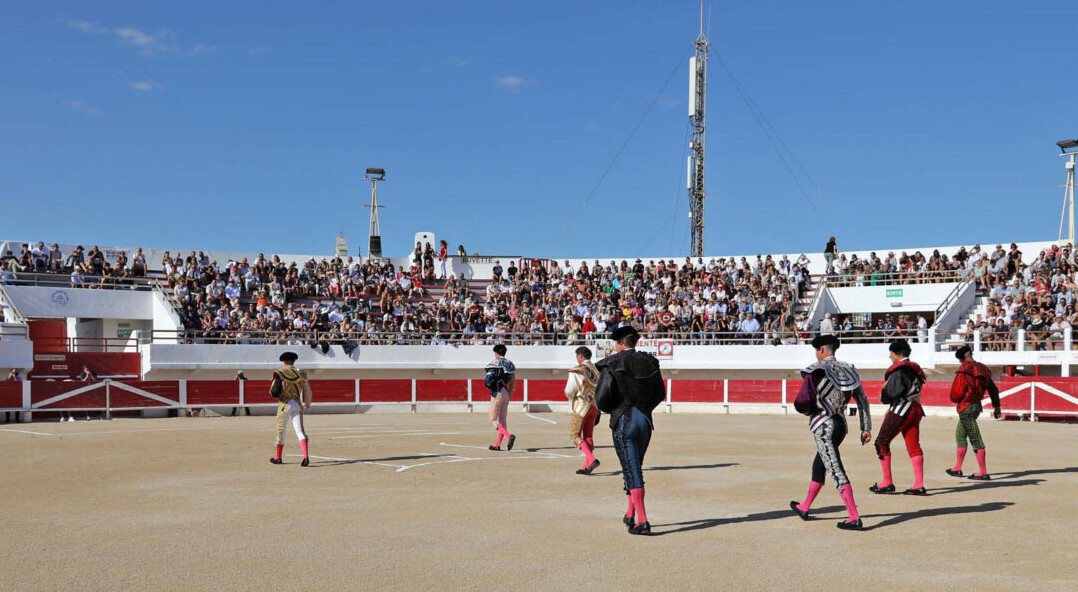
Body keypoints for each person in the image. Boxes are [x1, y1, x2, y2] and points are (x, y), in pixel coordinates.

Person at [790, 334, 871, 530]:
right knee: (820, 464)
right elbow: (862, 401)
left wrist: (810, 412)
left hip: (824, 425)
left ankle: (854, 516)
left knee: (834, 468)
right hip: (841, 425)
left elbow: (802, 401)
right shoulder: (849, 370)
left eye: (816, 350)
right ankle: (805, 506)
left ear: (821, 350)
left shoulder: (815, 371)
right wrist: (865, 428)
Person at [595, 325, 665, 535]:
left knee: (631, 468)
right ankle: (630, 513)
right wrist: (645, 408)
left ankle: (642, 521)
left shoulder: (612, 363)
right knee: (634, 466)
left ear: (620, 343)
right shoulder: (650, 362)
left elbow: (602, 398)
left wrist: (614, 409)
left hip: (625, 420)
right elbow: (660, 393)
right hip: (644, 420)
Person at [871, 339, 927, 495]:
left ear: (898, 353)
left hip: (902, 408)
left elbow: (889, 394)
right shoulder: (914, 368)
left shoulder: (900, 370)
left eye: (891, 353)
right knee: (913, 445)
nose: (890, 356)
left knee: (881, 442)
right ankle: (919, 484)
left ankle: (887, 482)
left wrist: (885, 400)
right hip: (916, 407)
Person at [947, 345, 1002, 480]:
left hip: (966, 407)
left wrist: (956, 399)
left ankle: (983, 472)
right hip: (976, 406)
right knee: (960, 435)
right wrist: (997, 407)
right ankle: (957, 468)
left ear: (962, 358)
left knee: (975, 438)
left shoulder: (964, 371)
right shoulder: (983, 369)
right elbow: (993, 390)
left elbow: (956, 393)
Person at [269, 352, 313, 466]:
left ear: (284, 362)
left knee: (281, 430)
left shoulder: (280, 373)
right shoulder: (301, 373)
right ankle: (305, 456)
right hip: (297, 404)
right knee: (300, 431)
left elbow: (273, 392)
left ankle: (278, 457)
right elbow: (307, 390)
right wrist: (307, 403)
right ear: (293, 361)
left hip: (285, 404)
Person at [564, 345, 600, 475]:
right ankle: (587, 466)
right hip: (594, 406)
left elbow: (569, 390)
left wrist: (571, 398)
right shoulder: (597, 370)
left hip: (582, 405)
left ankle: (592, 459)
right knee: (588, 435)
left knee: (575, 435)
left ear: (580, 356)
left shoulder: (577, 370)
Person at [485, 344, 516, 451]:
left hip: (497, 393)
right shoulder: (510, 364)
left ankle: (509, 436)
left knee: (493, 419)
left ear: (497, 352)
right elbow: (513, 382)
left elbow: (488, 380)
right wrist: (509, 394)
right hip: (506, 393)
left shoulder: (494, 363)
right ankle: (497, 444)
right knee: (502, 421)